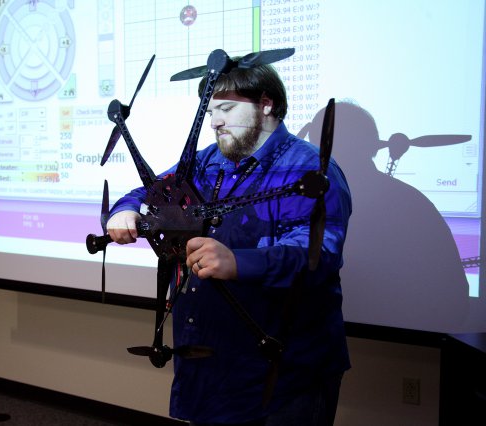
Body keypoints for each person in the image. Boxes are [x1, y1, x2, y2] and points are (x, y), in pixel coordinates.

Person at [106, 60, 352, 426]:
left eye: (226, 108)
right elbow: (151, 191)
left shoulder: (309, 168)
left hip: (284, 369)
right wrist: (124, 211)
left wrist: (239, 262)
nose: (215, 121)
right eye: (211, 111)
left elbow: (319, 254)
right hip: (210, 363)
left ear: (265, 105)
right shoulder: (205, 162)